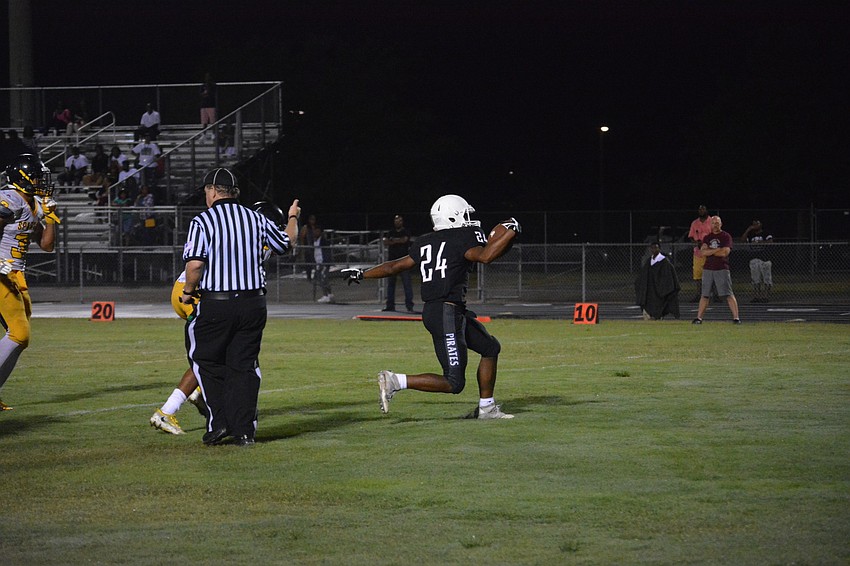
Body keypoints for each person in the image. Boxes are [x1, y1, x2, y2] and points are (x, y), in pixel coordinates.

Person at [341, 195, 520, 419]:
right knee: (454, 382)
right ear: (453, 217)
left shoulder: (426, 241)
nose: (469, 219)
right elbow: (486, 256)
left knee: (490, 348)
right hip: (446, 313)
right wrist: (510, 232)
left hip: (447, 311)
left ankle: (486, 408)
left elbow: (395, 266)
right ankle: (395, 380)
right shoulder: (463, 236)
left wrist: (362, 273)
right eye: (465, 214)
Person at [179, 167, 300, 446]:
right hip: (253, 304)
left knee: (206, 361)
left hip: (217, 303)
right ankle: (244, 431)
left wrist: (187, 292)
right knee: (244, 366)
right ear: (235, 193)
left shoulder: (203, 220)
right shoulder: (256, 219)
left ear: (212, 191)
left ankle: (219, 422)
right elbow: (287, 242)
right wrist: (293, 216)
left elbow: (195, 264)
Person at [0, 154, 60, 410]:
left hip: (16, 275)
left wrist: (51, 217)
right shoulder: (8, 198)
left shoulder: (34, 204)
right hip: (1, 273)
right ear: (22, 178)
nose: (40, 182)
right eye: (36, 177)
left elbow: (47, 245)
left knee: (20, 338)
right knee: (19, 334)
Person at [149, 271, 207, 435]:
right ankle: (167, 412)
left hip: (183, 289)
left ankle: (200, 390)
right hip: (194, 293)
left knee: (213, 354)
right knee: (207, 358)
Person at [693, 215, 741, 324]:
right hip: (708, 269)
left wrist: (710, 251)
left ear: (721, 224)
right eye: (713, 223)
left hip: (722, 268)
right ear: (711, 224)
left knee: (728, 294)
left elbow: (725, 252)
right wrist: (717, 250)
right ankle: (699, 318)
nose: (715, 225)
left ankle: (736, 318)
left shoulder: (726, 236)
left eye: (717, 223)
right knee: (704, 294)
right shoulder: (707, 237)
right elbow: (702, 252)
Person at [634, 241, 680, 320]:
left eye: (656, 248)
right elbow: (643, 274)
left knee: (662, 302)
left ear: (659, 249)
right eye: (652, 248)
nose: (654, 250)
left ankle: (659, 315)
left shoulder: (664, 261)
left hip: (660, 288)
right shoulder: (649, 261)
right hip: (651, 288)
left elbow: (669, 275)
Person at [382, 214, 415, 312]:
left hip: (403, 262)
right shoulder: (391, 232)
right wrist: (396, 241)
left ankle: (409, 306)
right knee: (391, 285)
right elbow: (385, 241)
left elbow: (404, 240)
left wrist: (393, 240)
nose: (397, 222)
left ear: (402, 222)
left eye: (399, 221)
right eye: (396, 221)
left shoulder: (406, 231)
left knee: (407, 284)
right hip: (392, 262)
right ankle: (390, 305)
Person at [299, 214, 333, 303]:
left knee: (324, 278)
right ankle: (328, 294)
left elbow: (327, 252)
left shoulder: (323, 241)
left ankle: (327, 295)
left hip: (323, 262)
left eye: (317, 231)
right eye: (315, 231)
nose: (315, 233)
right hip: (318, 262)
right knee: (320, 278)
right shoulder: (314, 240)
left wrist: (325, 262)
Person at [741, 220, 774, 303]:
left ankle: (766, 296)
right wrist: (748, 230)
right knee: (755, 279)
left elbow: (770, 242)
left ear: (760, 224)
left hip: (765, 258)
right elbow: (743, 240)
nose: (755, 225)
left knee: (767, 279)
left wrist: (760, 242)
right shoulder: (751, 235)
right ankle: (756, 296)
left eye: (757, 224)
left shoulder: (766, 233)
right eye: (754, 224)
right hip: (754, 258)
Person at [687, 205, 713, 302]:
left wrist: (706, 243)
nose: (701, 211)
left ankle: (714, 295)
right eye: (700, 209)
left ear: (706, 210)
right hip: (698, 253)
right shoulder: (695, 223)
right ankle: (699, 294)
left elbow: (715, 235)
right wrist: (696, 242)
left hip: (710, 252)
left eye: (703, 209)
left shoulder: (712, 221)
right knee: (698, 274)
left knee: (711, 273)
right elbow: (691, 236)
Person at [200, 72, 217, 140]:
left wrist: (208, 92)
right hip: (204, 105)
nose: (207, 78)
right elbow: (200, 94)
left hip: (211, 105)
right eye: (206, 77)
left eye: (208, 77)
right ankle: (204, 134)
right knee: (204, 121)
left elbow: (213, 94)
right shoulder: (203, 85)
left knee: (212, 121)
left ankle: (213, 133)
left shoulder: (213, 85)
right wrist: (204, 93)